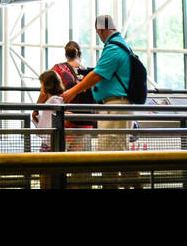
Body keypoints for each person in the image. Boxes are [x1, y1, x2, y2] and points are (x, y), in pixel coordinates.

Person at [59, 14, 135, 173]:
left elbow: (97, 74)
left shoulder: (113, 47)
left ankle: (113, 184)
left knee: (108, 155)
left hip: (116, 106)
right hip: (116, 106)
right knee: (119, 152)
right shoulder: (121, 45)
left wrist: (72, 92)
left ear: (100, 29)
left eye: (97, 31)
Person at [52, 40, 93, 150]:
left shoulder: (58, 69)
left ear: (66, 54)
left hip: (65, 118)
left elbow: (46, 91)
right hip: (85, 120)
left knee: (59, 155)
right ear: (80, 54)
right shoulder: (89, 73)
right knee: (76, 158)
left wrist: (37, 109)